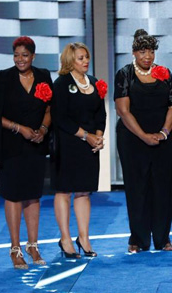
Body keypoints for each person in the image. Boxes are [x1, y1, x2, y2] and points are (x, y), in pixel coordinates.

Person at [0, 36, 51, 269]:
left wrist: (43, 129)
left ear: (33, 56)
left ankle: (33, 245)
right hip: (11, 146)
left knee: (33, 195)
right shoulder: (3, 78)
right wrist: (19, 128)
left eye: (25, 55)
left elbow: (50, 108)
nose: (20, 59)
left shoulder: (43, 76)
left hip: (36, 146)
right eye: (16, 55)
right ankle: (15, 249)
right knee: (13, 195)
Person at [115, 29, 172, 253]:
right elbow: (123, 111)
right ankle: (138, 239)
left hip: (164, 140)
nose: (147, 56)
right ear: (134, 52)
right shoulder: (124, 74)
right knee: (137, 188)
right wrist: (143, 136)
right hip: (133, 140)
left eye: (151, 51)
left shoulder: (165, 73)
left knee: (163, 188)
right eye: (142, 51)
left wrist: (163, 133)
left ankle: (163, 239)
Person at [51, 42, 106, 258]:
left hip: (90, 146)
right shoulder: (62, 83)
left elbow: (100, 114)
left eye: (86, 57)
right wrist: (86, 135)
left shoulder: (94, 83)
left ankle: (83, 238)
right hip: (67, 145)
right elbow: (60, 117)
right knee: (64, 190)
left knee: (84, 192)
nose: (85, 61)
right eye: (80, 58)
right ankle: (65, 239)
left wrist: (99, 136)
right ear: (69, 60)